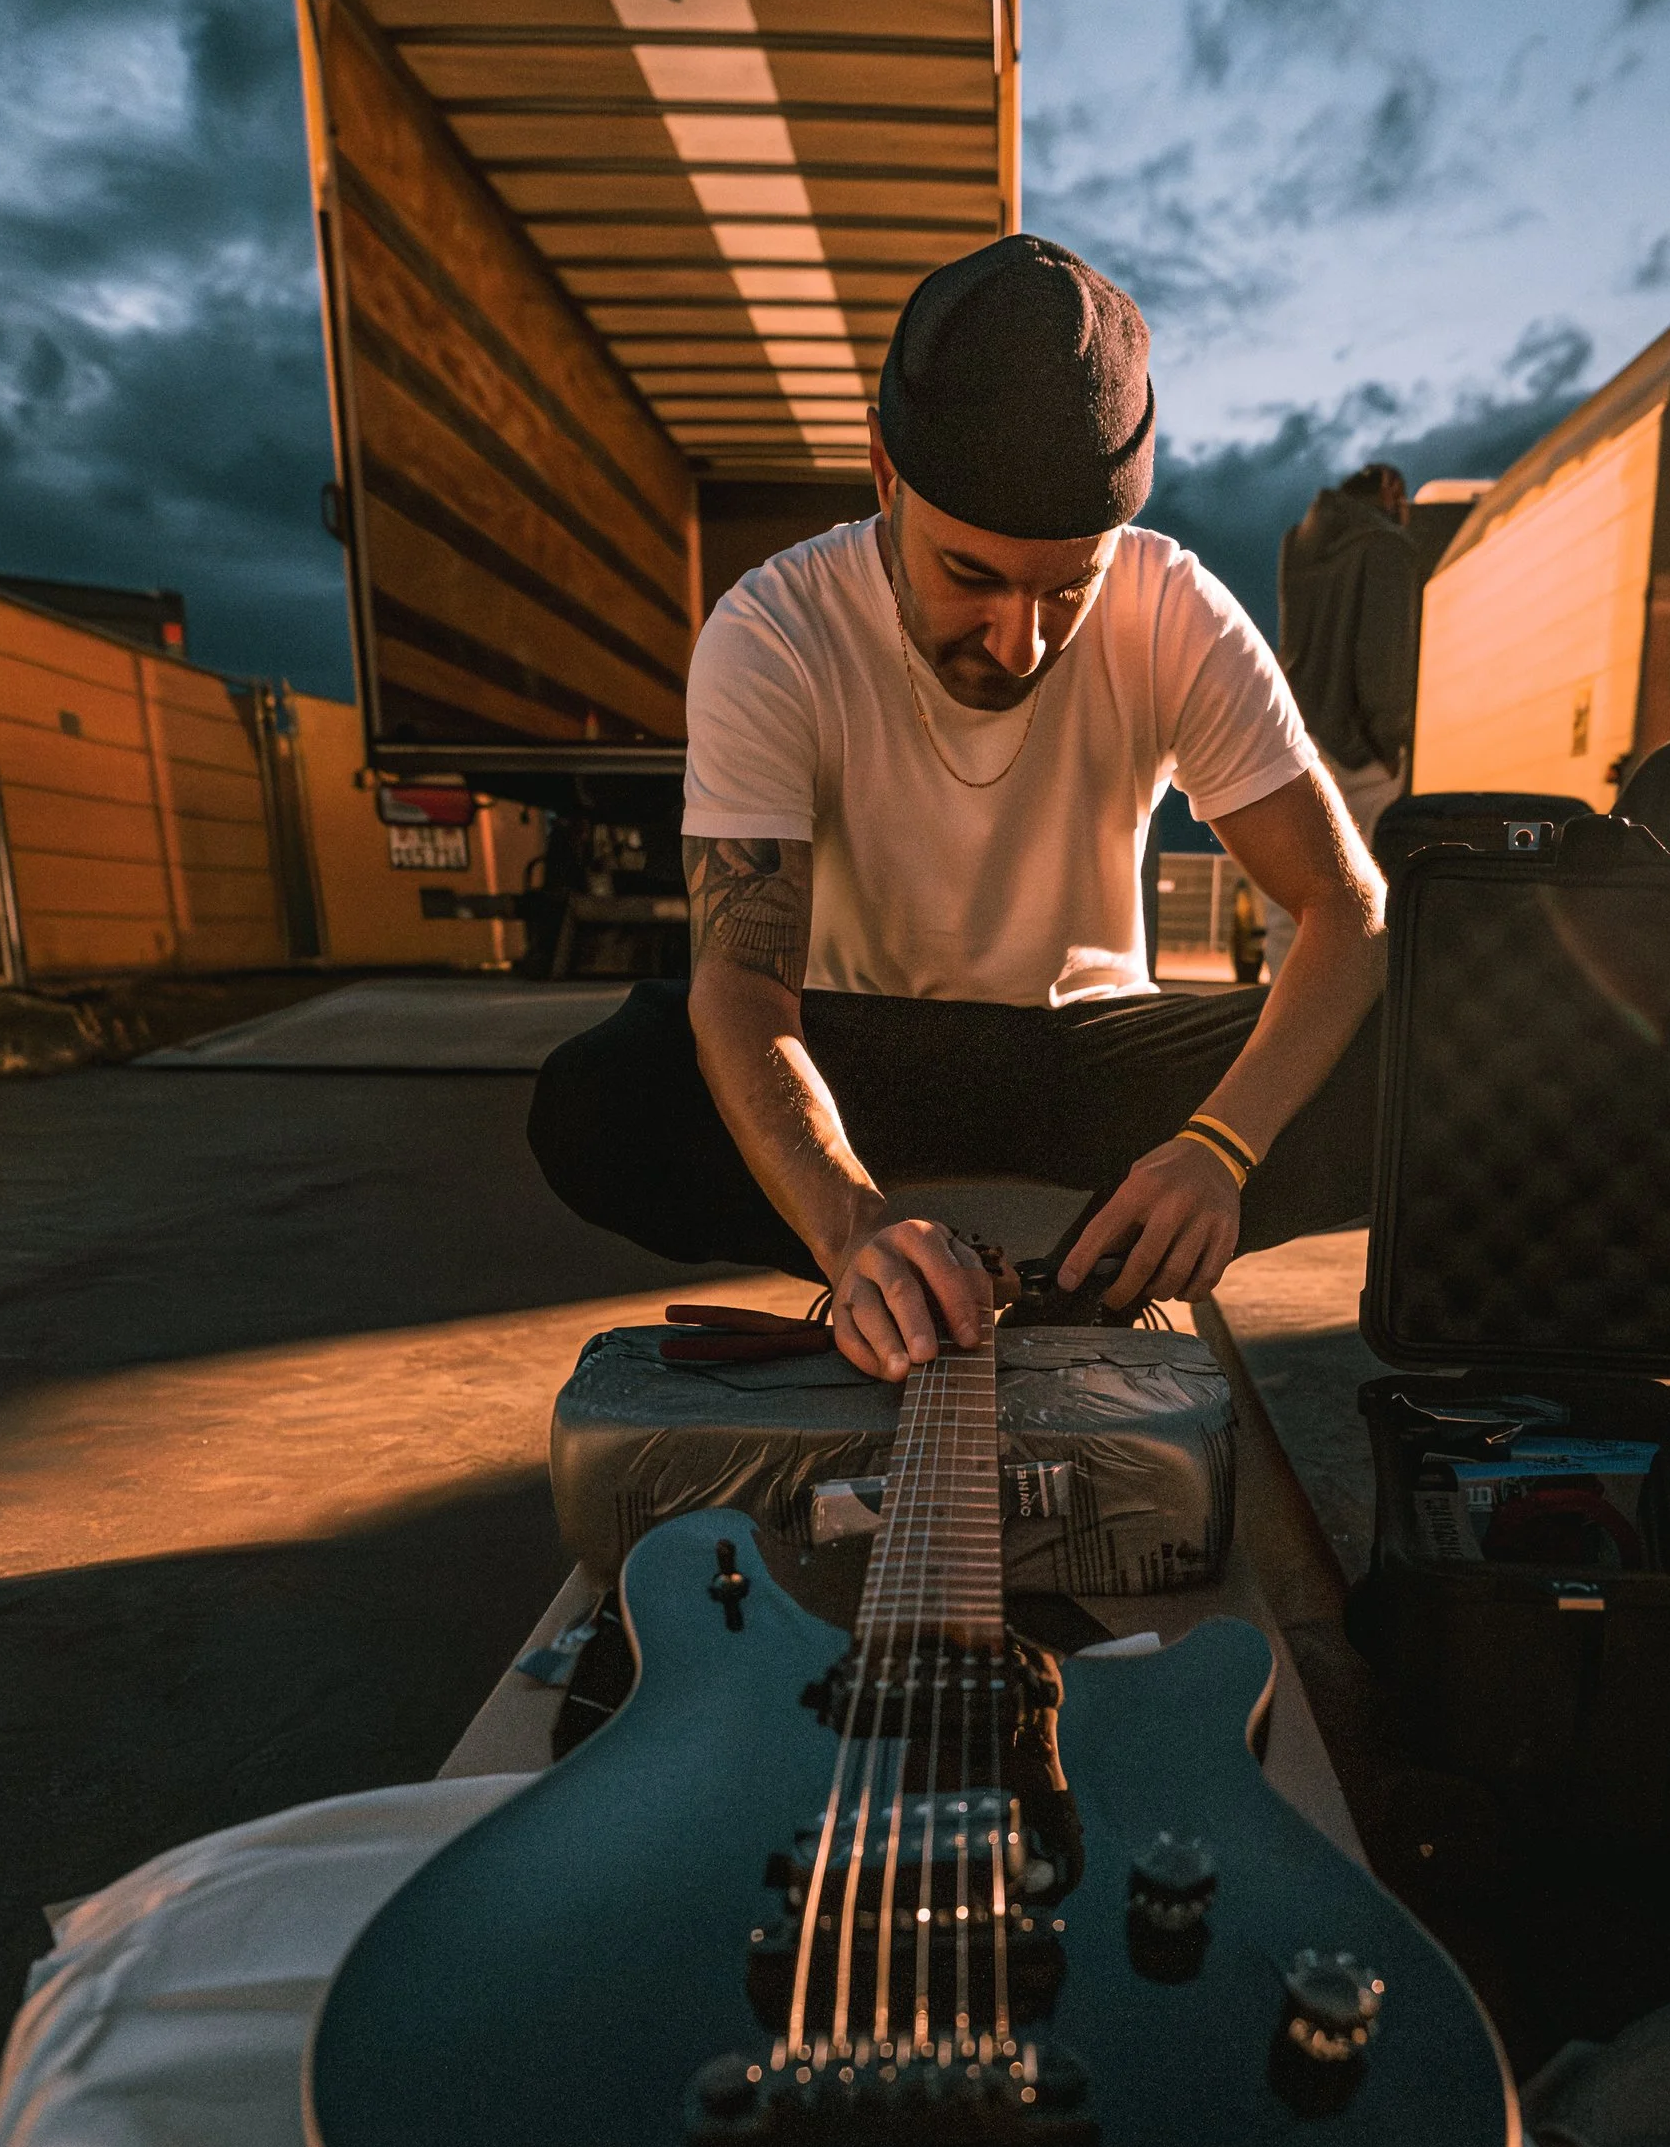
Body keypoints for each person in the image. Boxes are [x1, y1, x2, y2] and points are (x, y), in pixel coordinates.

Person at [528, 236, 1385, 1383]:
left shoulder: (1174, 605)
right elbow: (742, 982)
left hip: (1088, 1053)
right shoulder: (773, 628)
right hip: (859, 1048)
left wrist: (1217, 1151)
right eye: (972, 575)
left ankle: (1098, 1256)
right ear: (885, 473)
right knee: (604, 1095)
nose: (1015, 640)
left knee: (1412, 1050)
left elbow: (1346, 905)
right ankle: (900, 1263)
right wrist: (846, 1225)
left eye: (1064, 588)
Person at [1264, 461, 1422, 972]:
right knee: (1366, 902)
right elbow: (1384, 665)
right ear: (1389, 490)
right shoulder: (1388, 547)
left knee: (1291, 903)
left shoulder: (1298, 545)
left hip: (1292, 733)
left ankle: (1271, 1025)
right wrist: (1391, 741)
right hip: (1358, 751)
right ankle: (1346, 1037)